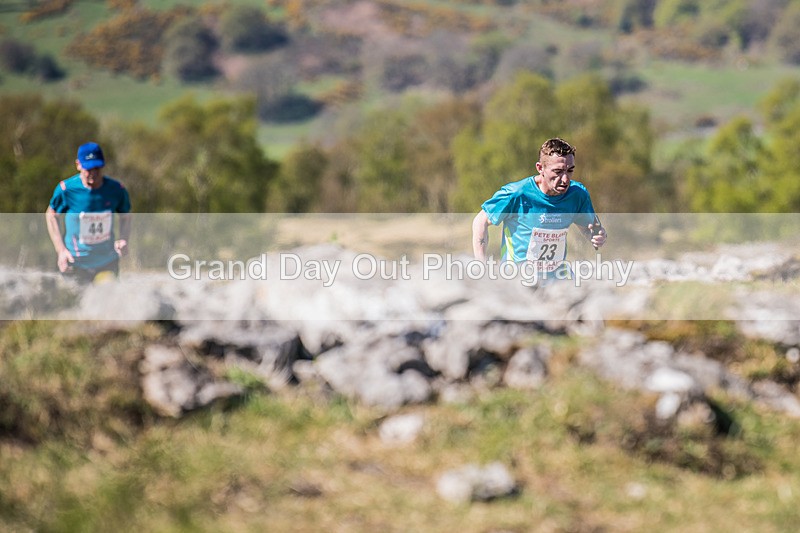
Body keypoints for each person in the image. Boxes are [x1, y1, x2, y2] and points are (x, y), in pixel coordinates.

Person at [472, 137, 606, 280]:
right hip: (518, 276)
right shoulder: (517, 193)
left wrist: (597, 236)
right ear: (540, 168)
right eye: (558, 171)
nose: (565, 179)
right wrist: (481, 264)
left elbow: (588, 228)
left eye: (570, 170)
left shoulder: (577, 194)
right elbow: (481, 221)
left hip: (557, 275)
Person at [45, 142, 131, 283]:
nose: (93, 173)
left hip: (107, 260)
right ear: (78, 165)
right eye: (88, 168)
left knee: (107, 300)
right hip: (75, 261)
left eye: (97, 168)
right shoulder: (66, 189)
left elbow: (126, 216)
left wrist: (124, 239)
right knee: (73, 303)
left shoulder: (116, 189)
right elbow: (51, 215)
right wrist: (61, 250)